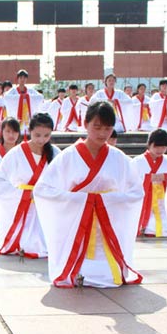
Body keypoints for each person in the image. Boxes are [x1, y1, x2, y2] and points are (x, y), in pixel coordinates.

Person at [33, 101, 143, 288]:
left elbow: (136, 192)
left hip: (107, 221)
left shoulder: (119, 158)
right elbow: (42, 189)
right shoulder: (68, 156)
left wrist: (106, 200)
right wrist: (79, 200)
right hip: (77, 220)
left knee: (109, 270)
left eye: (107, 128)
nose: (102, 133)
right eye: (97, 127)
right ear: (85, 124)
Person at [0, 114, 60, 258]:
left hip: (46, 204)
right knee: (24, 241)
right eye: (37, 135)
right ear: (29, 131)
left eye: (46, 135)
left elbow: (64, 180)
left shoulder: (56, 153)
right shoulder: (16, 153)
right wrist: (23, 194)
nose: (41, 140)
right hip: (22, 203)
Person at [131, 130, 167, 237]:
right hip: (145, 201)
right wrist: (148, 179)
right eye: (156, 146)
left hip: (163, 201)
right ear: (149, 144)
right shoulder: (137, 162)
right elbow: (131, 181)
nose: (160, 150)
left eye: (163, 147)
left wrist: (166, 177)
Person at [2, 70, 44, 136]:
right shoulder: (13, 91)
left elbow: (40, 97)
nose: (22, 79)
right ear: (18, 79)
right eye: (21, 78)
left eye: (24, 78)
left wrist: (27, 97)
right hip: (17, 114)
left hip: (27, 113)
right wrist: (21, 97)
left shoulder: (30, 90)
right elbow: (6, 97)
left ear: (26, 79)